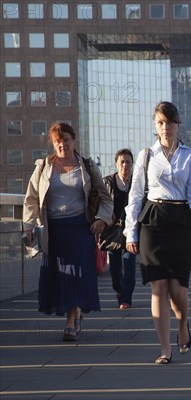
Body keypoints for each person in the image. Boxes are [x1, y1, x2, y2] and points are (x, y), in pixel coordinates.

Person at [124, 101, 191, 365]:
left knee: (178, 288)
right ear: (155, 126)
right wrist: (130, 233)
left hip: (180, 223)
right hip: (152, 224)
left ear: (177, 124)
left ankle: (183, 325)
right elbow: (135, 195)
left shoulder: (190, 156)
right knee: (158, 287)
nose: (165, 127)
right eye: (160, 122)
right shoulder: (145, 155)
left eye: (169, 122)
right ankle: (165, 348)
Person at [23, 122, 112, 342]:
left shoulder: (87, 167)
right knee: (60, 277)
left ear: (74, 141)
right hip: (53, 231)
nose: (63, 145)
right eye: (58, 142)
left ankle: (71, 322)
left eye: (66, 140)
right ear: (53, 144)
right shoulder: (44, 167)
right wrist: (30, 224)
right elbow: (31, 198)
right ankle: (75, 313)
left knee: (76, 275)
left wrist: (102, 218)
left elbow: (105, 197)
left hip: (80, 230)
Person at [103, 149, 137, 310]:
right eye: (122, 162)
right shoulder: (107, 182)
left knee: (130, 262)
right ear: (116, 164)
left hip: (131, 231)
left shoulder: (137, 182)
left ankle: (126, 298)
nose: (125, 165)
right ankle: (118, 290)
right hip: (112, 232)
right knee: (115, 268)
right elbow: (100, 202)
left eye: (128, 162)